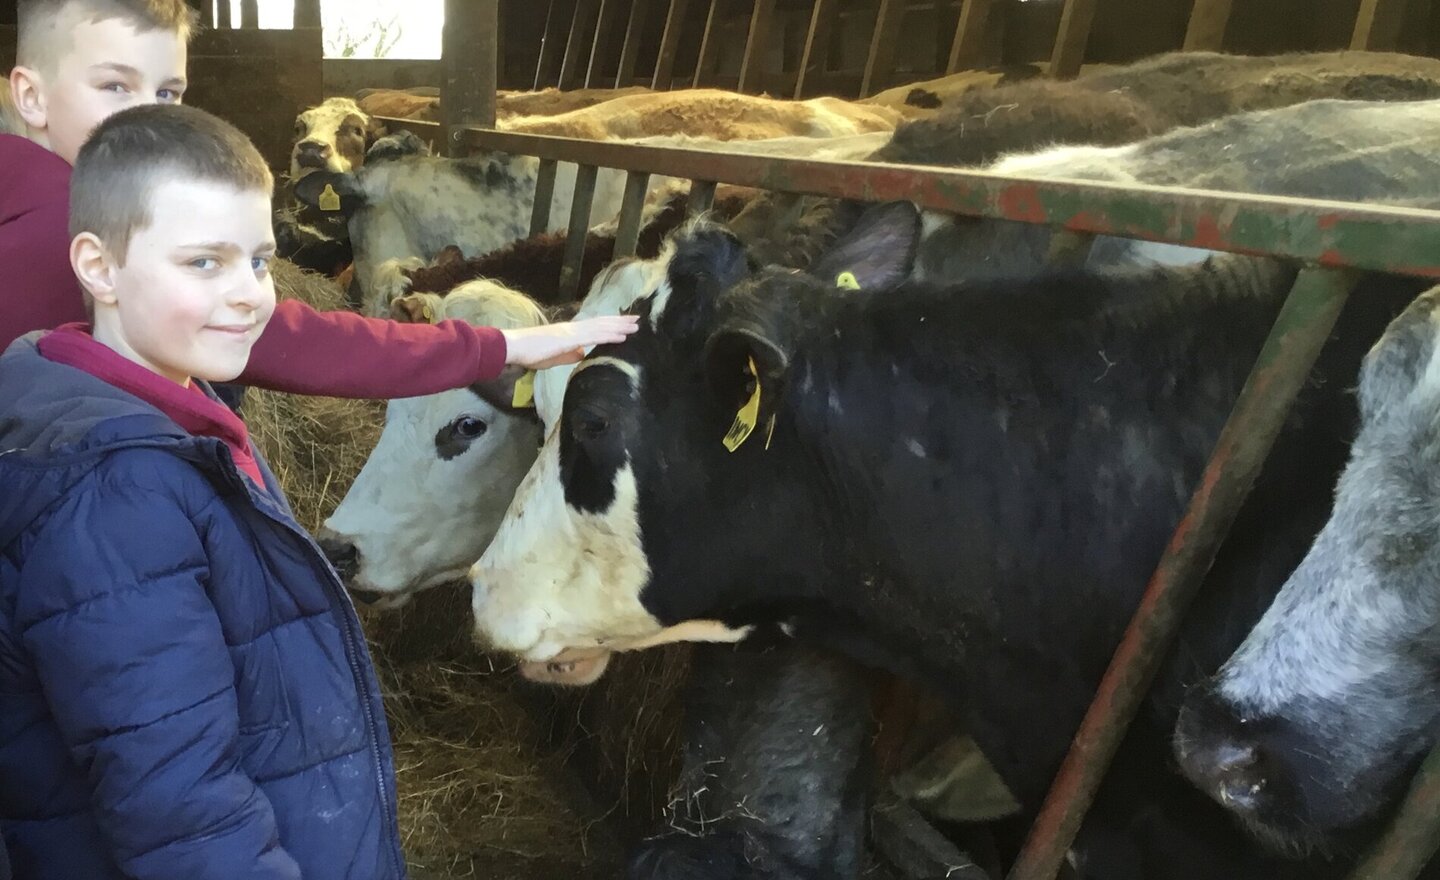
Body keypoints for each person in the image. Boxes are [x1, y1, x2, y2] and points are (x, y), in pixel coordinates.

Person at [1, 101, 631, 880]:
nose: (250, 295)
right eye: (205, 262)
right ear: (97, 267)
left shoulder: (163, 412)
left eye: (260, 261)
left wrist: (508, 345)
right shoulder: (117, 500)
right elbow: (180, 812)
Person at [1, 0, 630, 394]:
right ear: (29, 96)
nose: (149, 116)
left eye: (168, 93)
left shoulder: (44, 203)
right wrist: (500, 345)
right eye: (114, 86)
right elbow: (297, 342)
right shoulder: (76, 232)